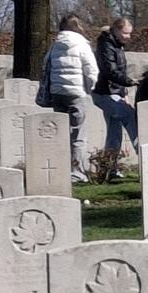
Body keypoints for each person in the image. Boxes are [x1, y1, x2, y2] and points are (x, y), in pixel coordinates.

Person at [39, 13, 99, 182]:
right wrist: (90, 88)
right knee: (78, 134)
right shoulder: (81, 44)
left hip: (58, 93)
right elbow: (91, 69)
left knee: (62, 132)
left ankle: (61, 168)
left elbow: (46, 65)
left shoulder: (55, 45)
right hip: (76, 93)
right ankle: (77, 171)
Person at [93, 16, 138, 169]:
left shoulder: (117, 44)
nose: (128, 37)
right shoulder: (106, 45)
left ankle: (108, 168)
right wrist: (129, 82)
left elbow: (120, 70)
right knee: (130, 116)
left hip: (115, 92)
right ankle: (145, 156)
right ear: (117, 30)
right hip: (104, 93)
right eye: (126, 33)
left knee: (114, 132)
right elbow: (109, 71)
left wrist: (124, 92)